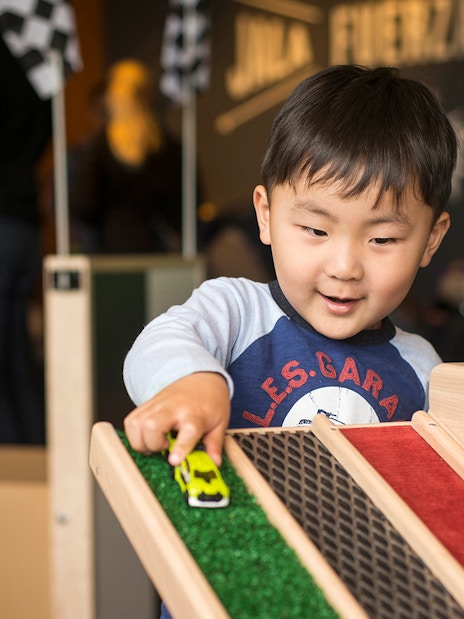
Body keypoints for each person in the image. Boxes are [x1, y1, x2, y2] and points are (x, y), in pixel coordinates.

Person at [123, 63, 456, 466]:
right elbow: (157, 344)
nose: (345, 267)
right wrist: (190, 382)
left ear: (430, 240)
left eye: (382, 239)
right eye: (316, 230)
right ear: (266, 216)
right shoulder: (236, 312)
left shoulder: (422, 370)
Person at [69, 59, 184, 253]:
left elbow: (84, 205)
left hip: (110, 252)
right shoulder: (168, 146)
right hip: (156, 249)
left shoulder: (98, 147)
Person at [0, 37, 51, 444]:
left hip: (6, 219)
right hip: (25, 220)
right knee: (16, 353)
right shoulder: (35, 58)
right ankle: (31, 452)